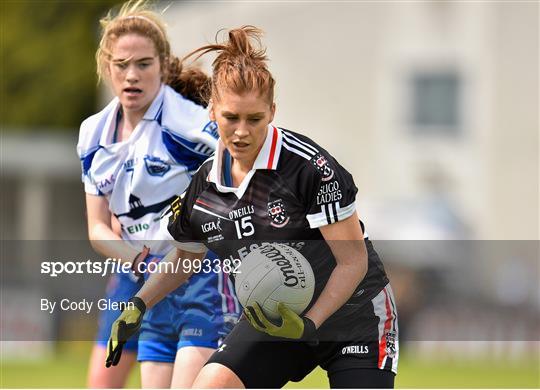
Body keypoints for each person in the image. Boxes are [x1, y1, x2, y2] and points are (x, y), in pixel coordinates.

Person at [107, 25, 398, 388]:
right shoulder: (203, 187)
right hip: (274, 317)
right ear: (212, 111)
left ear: (272, 111)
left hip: (354, 317)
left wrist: (310, 324)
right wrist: (138, 304)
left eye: (254, 119)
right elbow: (186, 258)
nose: (241, 131)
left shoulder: (308, 168)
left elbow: (353, 261)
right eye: (231, 117)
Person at [77, 1, 239, 387]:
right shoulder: (93, 134)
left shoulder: (188, 124)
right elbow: (98, 228)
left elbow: (243, 168)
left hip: (200, 274)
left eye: (144, 64)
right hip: (144, 276)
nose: (131, 75)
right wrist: (139, 260)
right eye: (121, 65)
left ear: (163, 65)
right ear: (107, 67)